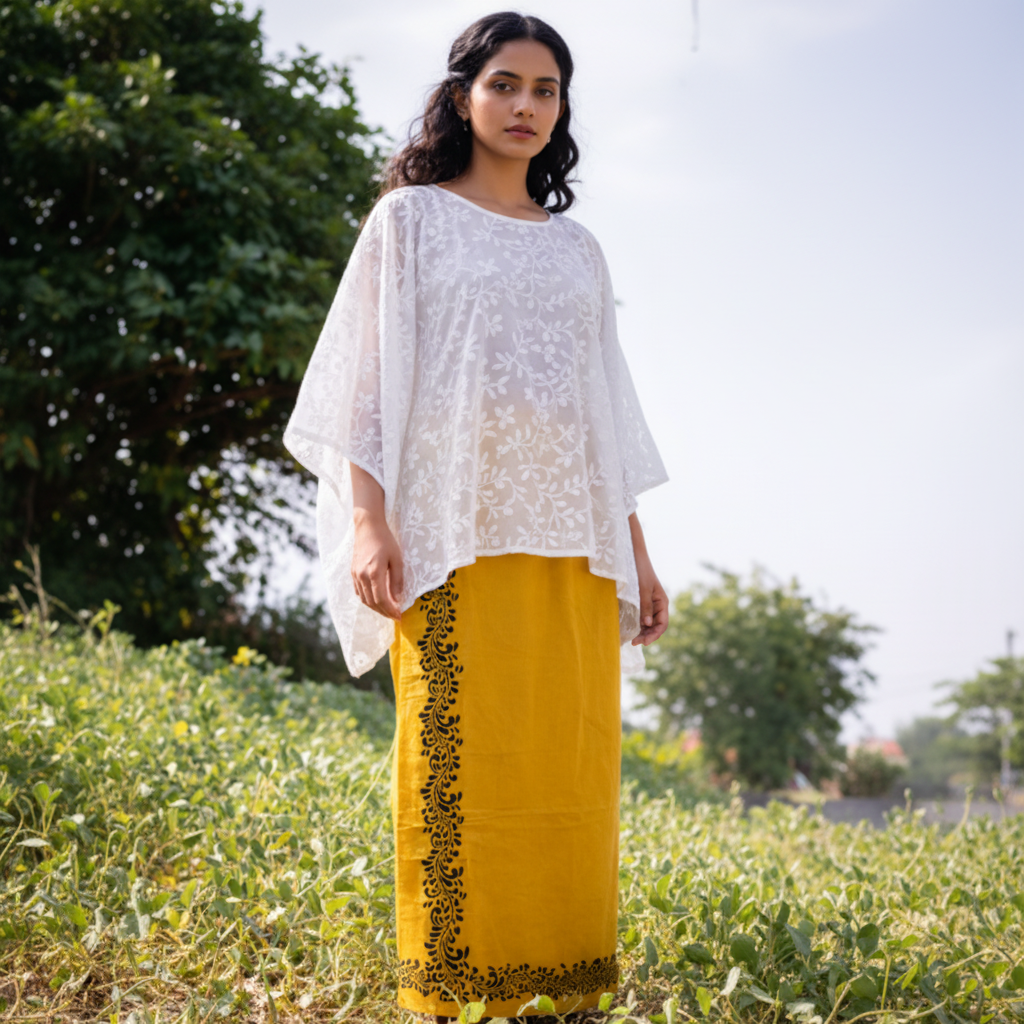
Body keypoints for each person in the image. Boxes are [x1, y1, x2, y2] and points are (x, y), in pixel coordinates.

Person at [284, 11, 669, 1020]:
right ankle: (454, 992)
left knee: (566, 772)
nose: (526, 106)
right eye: (506, 84)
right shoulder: (407, 223)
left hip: (575, 554)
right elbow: (363, 385)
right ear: (463, 96)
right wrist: (371, 522)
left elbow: (599, 414)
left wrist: (639, 556)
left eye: (546, 90)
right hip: (452, 540)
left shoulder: (579, 249)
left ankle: (564, 988)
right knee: (459, 769)